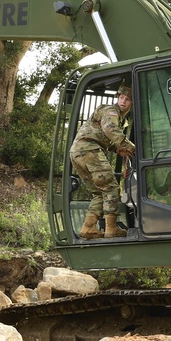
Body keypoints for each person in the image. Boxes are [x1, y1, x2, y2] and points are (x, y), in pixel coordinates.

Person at [69, 84, 135, 239]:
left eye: (127, 100)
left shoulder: (119, 117)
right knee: (111, 188)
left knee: (99, 192)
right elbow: (110, 130)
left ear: (131, 104)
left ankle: (88, 228)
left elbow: (103, 136)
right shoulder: (110, 110)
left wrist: (117, 149)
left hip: (78, 152)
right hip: (89, 150)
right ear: (117, 98)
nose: (123, 101)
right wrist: (131, 148)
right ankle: (111, 229)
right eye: (121, 98)